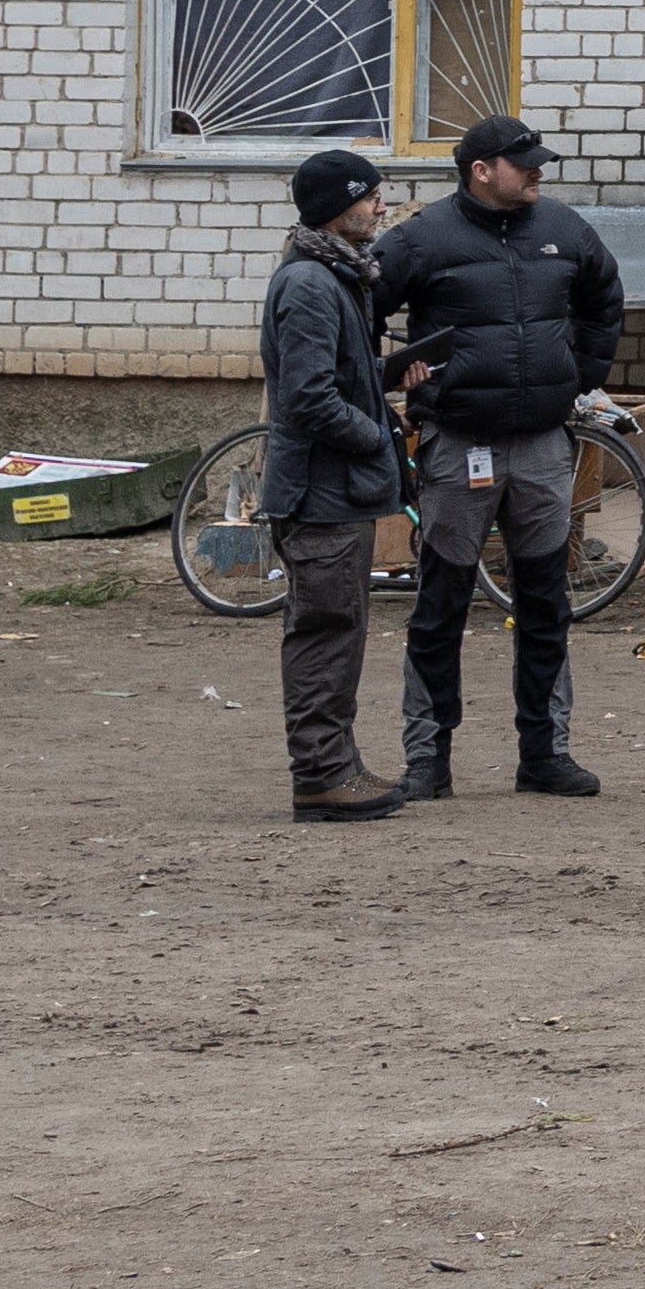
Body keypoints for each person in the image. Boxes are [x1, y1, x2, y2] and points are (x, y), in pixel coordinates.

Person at [369, 112, 625, 799]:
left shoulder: (564, 230)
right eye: (524, 163)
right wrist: (396, 373)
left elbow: (605, 297)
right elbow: (356, 312)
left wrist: (582, 375)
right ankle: (428, 759)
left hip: (542, 445)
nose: (539, 171)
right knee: (441, 603)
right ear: (482, 171)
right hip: (460, 444)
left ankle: (545, 754)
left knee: (546, 602)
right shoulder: (422, 239)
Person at [261, 148, 411, 822]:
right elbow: (310, 399)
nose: (382, 206)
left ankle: (337, 767)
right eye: (371, 196)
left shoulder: (337, 277)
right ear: (336, 207)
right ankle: (321, 777)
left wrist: (395, 374)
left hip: (333, 491)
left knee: (340, 627)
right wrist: (376, 434)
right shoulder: (311, 286)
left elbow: (338, 381)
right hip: (319, 496)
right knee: (325, 631)